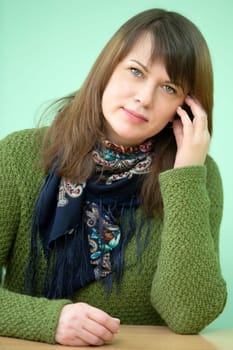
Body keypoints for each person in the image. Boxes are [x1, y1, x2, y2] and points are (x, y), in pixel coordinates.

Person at [0, 8, 227, 347]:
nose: (144, 98)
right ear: (107, 69)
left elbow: (189, 315)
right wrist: (48, 321)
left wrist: (187, 178)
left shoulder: (196, 175)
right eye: (136, 71)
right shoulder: (21, 155)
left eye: (168, 88)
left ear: (186, 107)